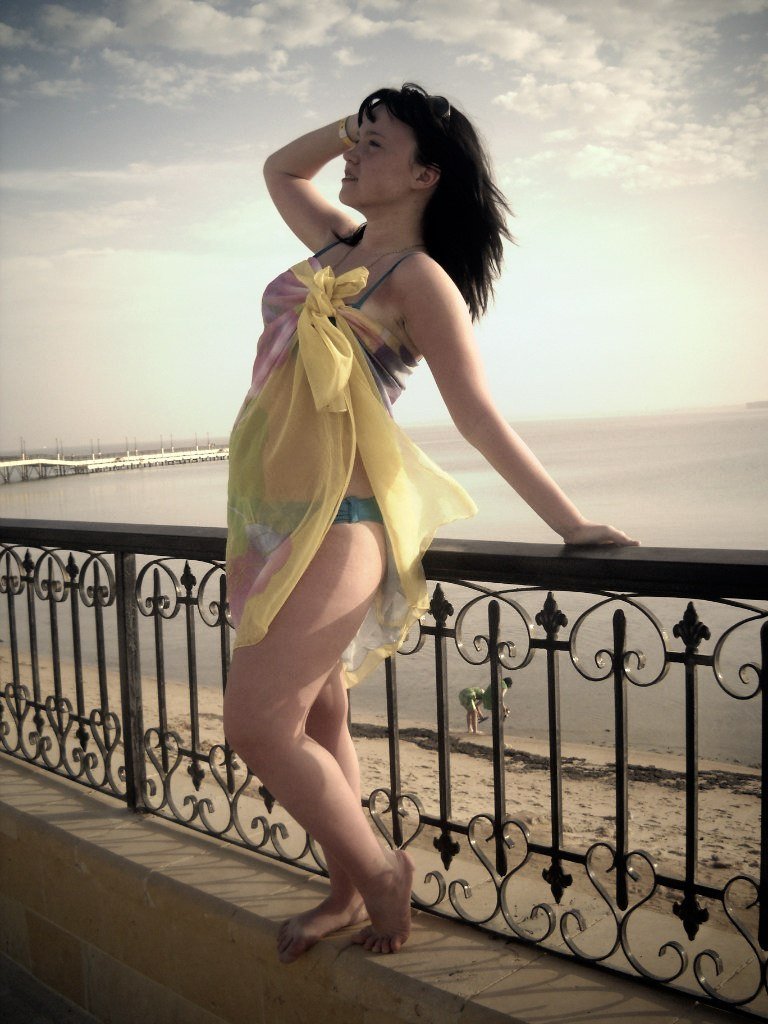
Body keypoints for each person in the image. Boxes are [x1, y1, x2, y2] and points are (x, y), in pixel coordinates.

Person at [222, 83, 637, 965]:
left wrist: (571, 523)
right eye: (356, 139)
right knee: (321, 721)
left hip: (343, 521)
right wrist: (353, 123)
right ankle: (343, 892)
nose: (351, 154)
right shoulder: (335, 242)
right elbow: (279, 169)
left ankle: (382, 872)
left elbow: (476, 414)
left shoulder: (419, 281)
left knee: (257, 727)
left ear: (425, 174)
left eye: (374, 145)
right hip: (264, 519)